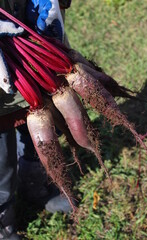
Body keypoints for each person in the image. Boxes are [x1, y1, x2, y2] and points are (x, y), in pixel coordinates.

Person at [0, 1, 72, 239]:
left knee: (43, 116)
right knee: (1, 148)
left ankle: (34, 184)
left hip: (29, 28)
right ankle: (4, 222)